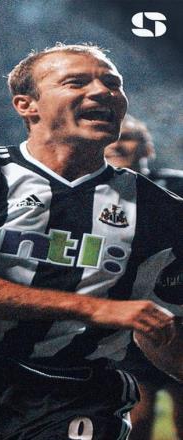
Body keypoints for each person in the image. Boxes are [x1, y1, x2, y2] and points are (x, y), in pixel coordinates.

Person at [0, 43, 183, 439]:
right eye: (76, 82)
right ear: (27, 105)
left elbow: (162, 327)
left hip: (75, 393)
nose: (102, 91)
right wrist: (98, 309)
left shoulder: (161, 210)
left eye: (113, 83)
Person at [105, 115, 183, 440]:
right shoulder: (94, 193)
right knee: (137, 412)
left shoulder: (175, 186)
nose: (117, 144)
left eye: (127, 137)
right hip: (129, 320)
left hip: (178, 311)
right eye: (111, 138)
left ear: (147, 148)